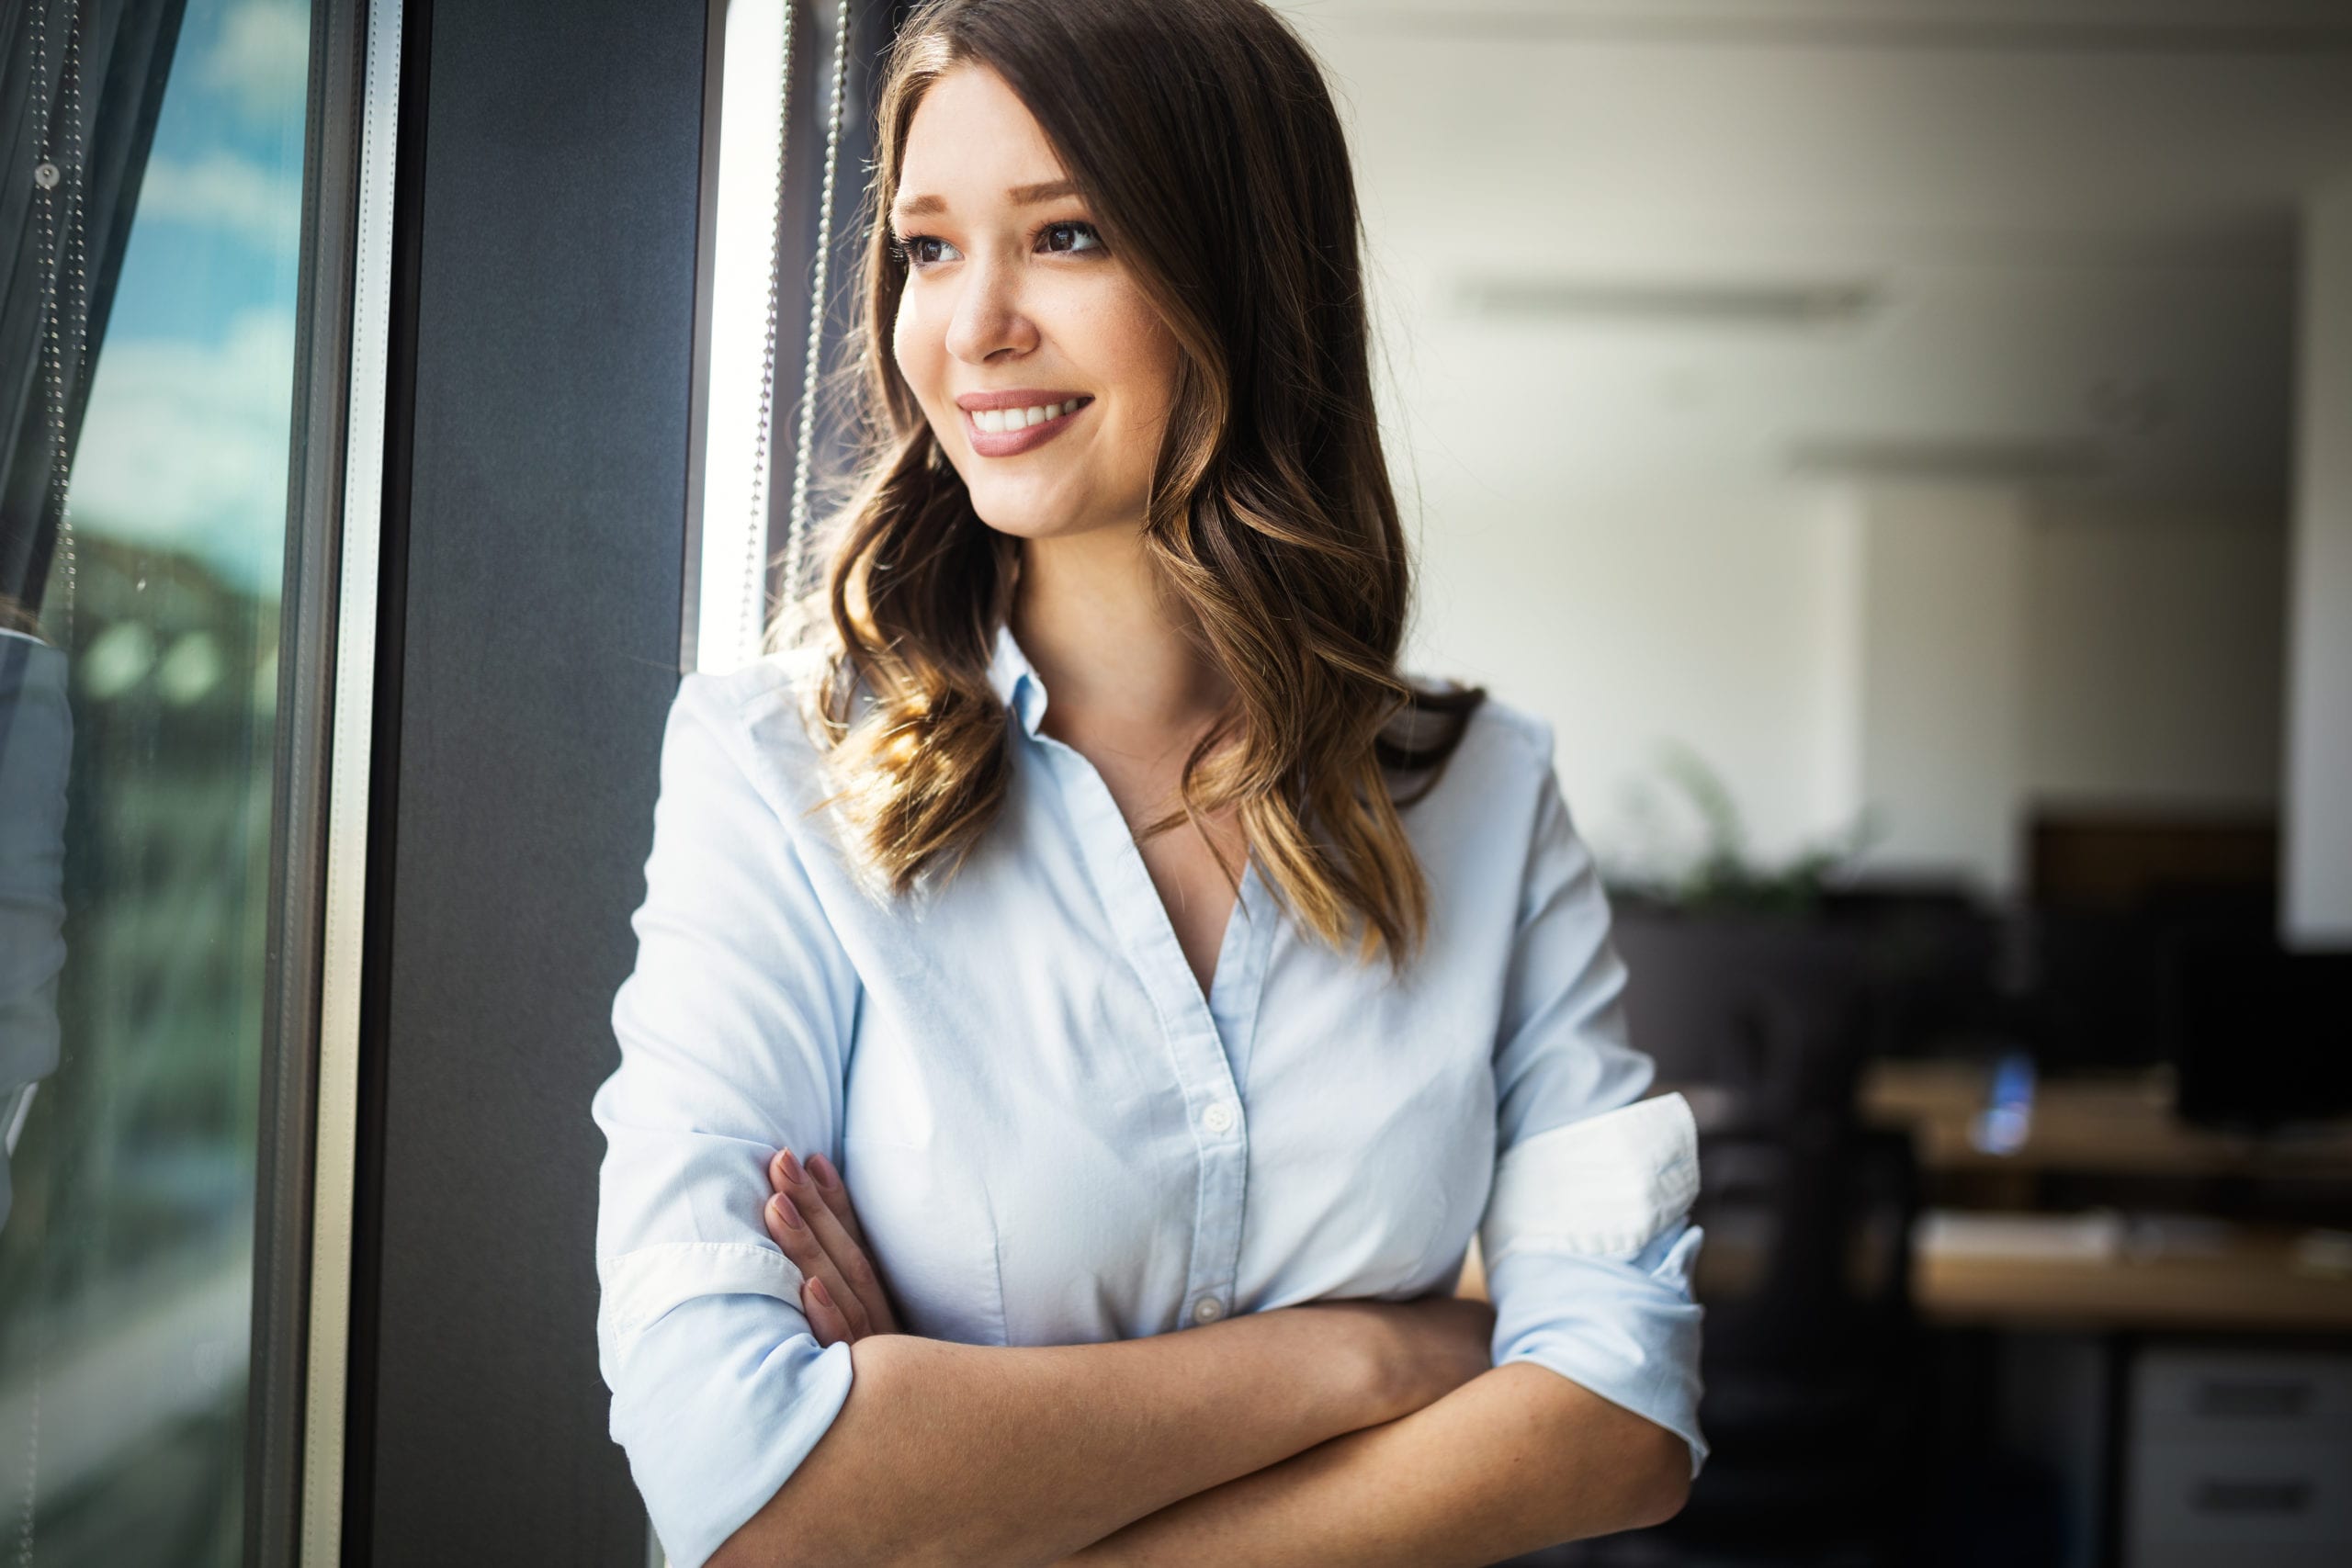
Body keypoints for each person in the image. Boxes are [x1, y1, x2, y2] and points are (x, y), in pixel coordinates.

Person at [590, 2, 1704, 1563]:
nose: (972, 326)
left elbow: (1625, 1422)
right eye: (926, 248)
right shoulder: (773, 774)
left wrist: (957, 1470)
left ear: (1242, 281)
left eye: (1065, 236)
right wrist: (1386, 1354)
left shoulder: (1487, 796)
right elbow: (745, 1492)